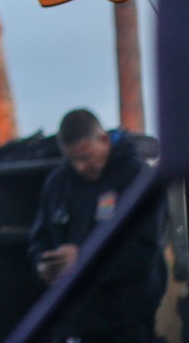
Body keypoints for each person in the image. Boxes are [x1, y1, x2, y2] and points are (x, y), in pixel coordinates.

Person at [29, 109, 165, 343]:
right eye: (72, 160)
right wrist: (42, 265)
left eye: (86, 157)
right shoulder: (58, 183)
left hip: (125, 318)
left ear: (103, 139)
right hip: (72, 318)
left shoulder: (136, 176)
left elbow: (143, 250)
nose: (80, 167)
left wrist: (84, 261)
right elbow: (39, 238)